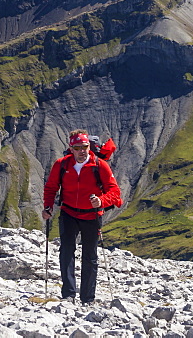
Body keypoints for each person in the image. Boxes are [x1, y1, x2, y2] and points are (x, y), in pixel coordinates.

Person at [42, 129, 122, 303]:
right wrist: (48, 207)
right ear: (71, 148)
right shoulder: (61, 165)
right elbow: (51, 188)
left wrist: (101, 201)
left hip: (92, 215)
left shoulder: (99, 165)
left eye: (84, 147)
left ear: (88, 147)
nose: (81, 151)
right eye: (77, 147)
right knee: (66, 252)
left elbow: (115, 192)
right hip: (69, 212)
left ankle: (87, 298)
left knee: (90, 256)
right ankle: (69, 295)